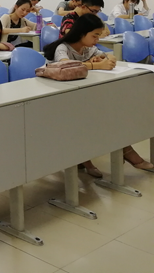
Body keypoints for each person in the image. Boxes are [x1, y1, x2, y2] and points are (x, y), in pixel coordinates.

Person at [43, 14, 154, 177]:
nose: (97, 40)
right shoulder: (63, 48)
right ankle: (91, 157)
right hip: (60, 100)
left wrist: (104, 59)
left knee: (110, 114)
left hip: (81, 96)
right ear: (81, 33)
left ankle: (114, 152)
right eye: (94, 36)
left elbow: (109, 56)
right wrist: (95, 65)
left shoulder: (87, 48)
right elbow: (66, 65)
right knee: (96, 119)